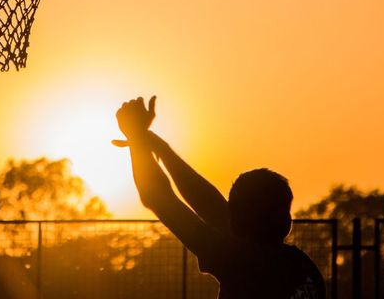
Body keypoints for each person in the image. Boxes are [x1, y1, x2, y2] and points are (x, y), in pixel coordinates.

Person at [113, 96, 326, 299]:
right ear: (285, 221)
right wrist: (153, 143)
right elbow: (209, 205)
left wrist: (137, 136)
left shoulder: (239, 259)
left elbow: (158, 198)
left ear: (237, 219)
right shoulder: (302, 266)